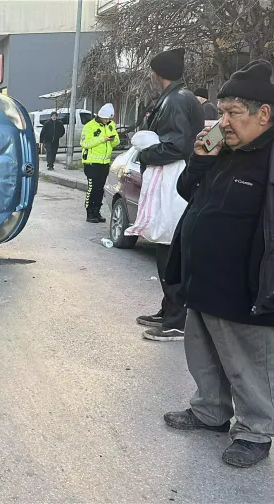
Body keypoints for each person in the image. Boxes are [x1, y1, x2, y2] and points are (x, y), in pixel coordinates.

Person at [162, 60, 274, 469]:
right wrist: (200, 158)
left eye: (233, 113)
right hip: (203, 279)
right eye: (221, 112)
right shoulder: (223, 150)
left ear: (264, 114)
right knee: (203, 353)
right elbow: (187, 190)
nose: (222, 122)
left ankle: (255, 431)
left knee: (249, 364)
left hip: (246, 288)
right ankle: (210, 411)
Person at [135, 48, 204, 342]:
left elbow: (177, 146)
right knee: (167, 247)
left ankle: (177, 320)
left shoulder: (175, 100)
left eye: (153, 70)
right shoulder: (178, 97)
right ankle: (170, 310)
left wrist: (144, 152)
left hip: (173, 178)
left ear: (158, 72)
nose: (151, 75)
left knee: (170, 248)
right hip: (174, 176)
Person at [80, 103, 120, 223]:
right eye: (105, 119)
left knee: (100, 189)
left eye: (109, 119)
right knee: (92, 188)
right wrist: (102, 139)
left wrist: (113, 139)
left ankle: (97, 212)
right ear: (100, 116)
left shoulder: (111, 125)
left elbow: (116, 142)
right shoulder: (89, 126)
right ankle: (90, 212)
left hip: (105, 162)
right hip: (91, 162)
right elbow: (85, 143)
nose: (107, 121)